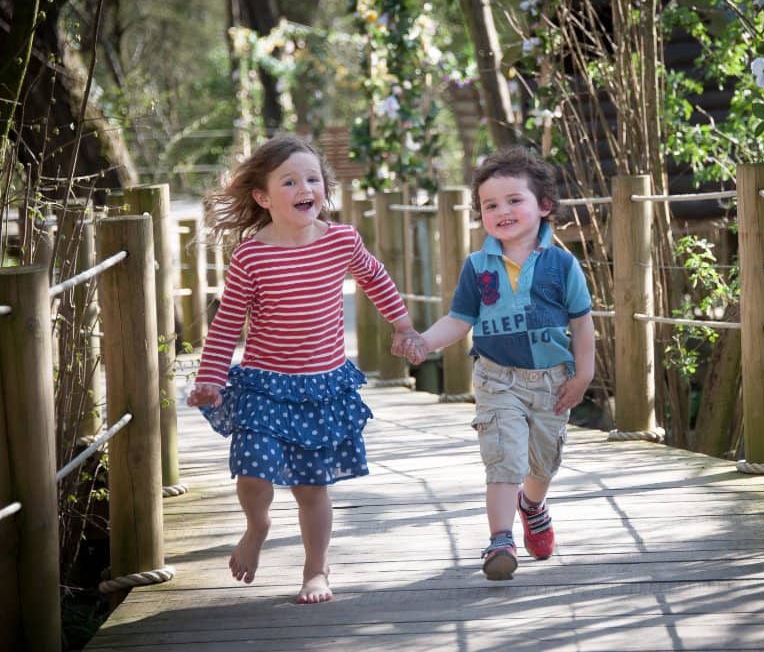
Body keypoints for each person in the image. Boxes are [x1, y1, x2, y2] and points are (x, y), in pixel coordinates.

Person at [187, 134, 418, 604]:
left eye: (312, 178)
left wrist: (403, 325)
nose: (304, 188)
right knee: (252, 472)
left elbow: (375, 277)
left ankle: (316, 569)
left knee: (312, 489)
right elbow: (228, 319)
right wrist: (211, 376)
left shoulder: (341, 240)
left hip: (321, 385)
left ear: (323, 190)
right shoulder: (252, 255)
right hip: (265, 384)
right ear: (262, 197)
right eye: (289, 181)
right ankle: (257, 528)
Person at [397, 146, 595, 580]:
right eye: (490, 205)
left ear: (543, 206)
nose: (502, 211)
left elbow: (582, 324)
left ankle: (533, 504)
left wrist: (583, 376)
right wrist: (423, 342)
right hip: (496, 378)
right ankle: (500, 540)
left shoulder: (562, 265)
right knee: (503, 457)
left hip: (552, 381)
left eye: (513, 200)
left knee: (543, 464)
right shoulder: (478, 266)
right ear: (480, 215)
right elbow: (459, 318)